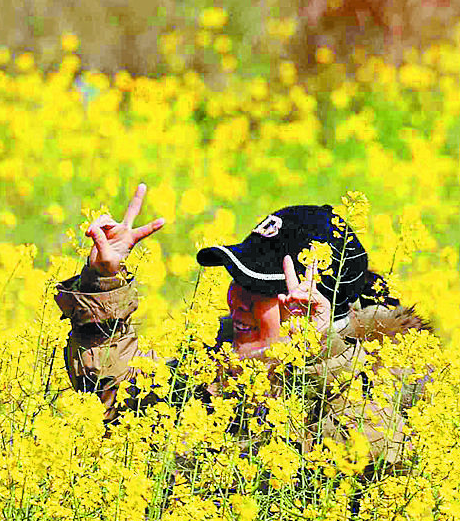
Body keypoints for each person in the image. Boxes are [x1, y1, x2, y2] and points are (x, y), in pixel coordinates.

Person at [53, 187, 432, 468]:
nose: (238, 299)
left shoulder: (383, 386)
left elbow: (377, 462)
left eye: (263, 291)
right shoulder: (209, 367)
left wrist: (320, 357)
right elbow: (112, 394)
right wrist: (104, 282)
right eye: (239, 281)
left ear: (321, 311)